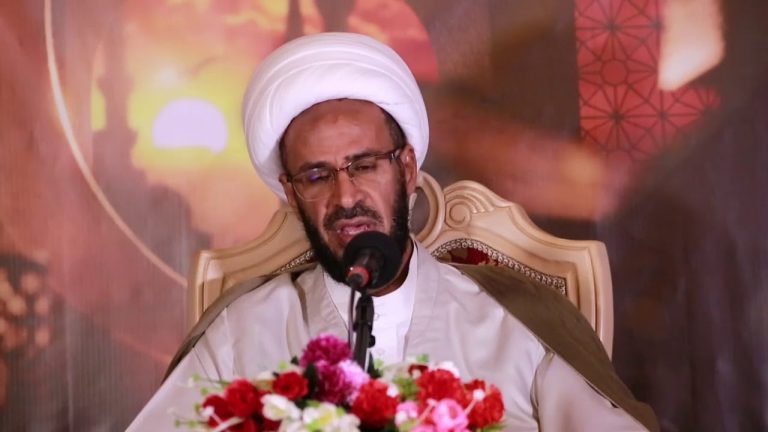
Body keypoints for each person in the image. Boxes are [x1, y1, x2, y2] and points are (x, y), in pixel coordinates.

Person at [128, 32, 657, 431]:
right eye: (317, 176)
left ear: (405, 169)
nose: (345, 197)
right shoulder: (242, 333)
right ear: (290, 193)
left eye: (363, 165)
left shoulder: (516, 322)